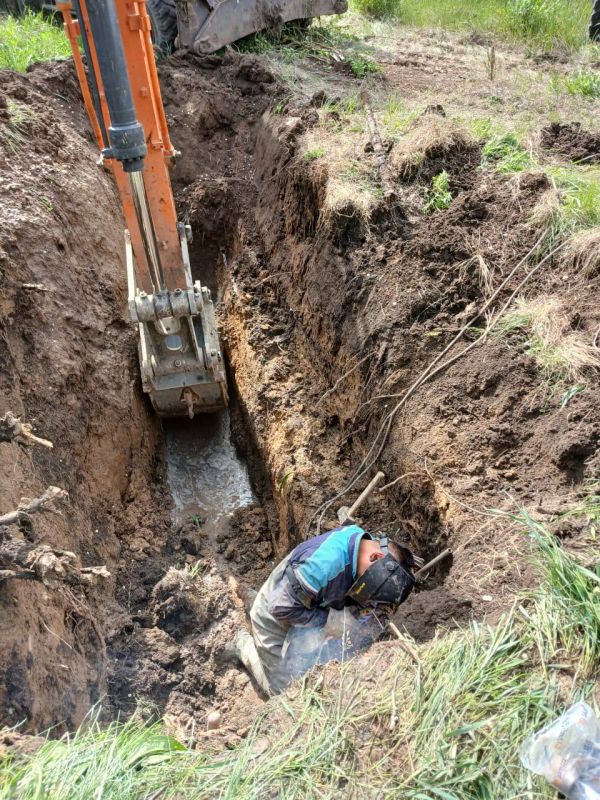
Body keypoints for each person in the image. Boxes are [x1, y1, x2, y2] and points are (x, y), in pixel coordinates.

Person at [234, 524, 417, 695]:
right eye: (370, 588)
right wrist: (332, 621)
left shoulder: (365, 547)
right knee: (282, 689)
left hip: (303, 599)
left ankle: (253, 599)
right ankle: (241, 644)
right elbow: (280, 607)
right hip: (277, 612)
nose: (369, 597)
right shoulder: (324, 565)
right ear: (375, 558)